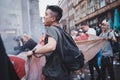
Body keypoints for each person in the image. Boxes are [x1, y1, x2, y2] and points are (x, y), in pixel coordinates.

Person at [27, 5, 71, 80]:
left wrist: (33, 52)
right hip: (63, 72)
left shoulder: (52, 29)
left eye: (46, 14)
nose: (44, 17)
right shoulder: (61, 31)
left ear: (53, 18)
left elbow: (51, 46)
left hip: (54, 74)